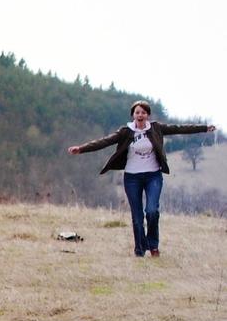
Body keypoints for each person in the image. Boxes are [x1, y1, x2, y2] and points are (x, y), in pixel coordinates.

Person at [67, 101, 215, 257]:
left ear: (148, 115)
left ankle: (153, 246)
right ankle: (139, 250)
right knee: (137, 217)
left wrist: (204, 128)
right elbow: (104, 141)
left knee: (152, 211)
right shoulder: (125, 132)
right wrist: (81, 149)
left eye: (143, 113)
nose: (140, 115)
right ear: (133, 115)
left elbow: (180, 128)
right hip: (132, 178)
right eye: (137, 112)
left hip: (153, 176)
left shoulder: (156, 128)